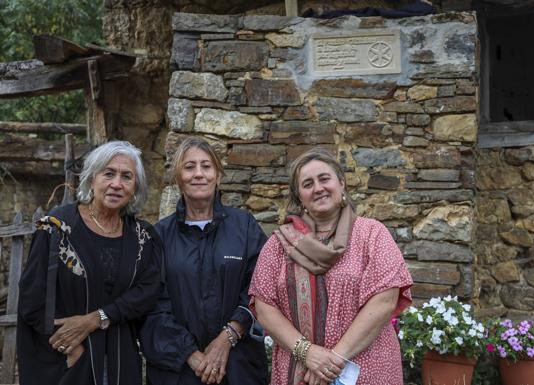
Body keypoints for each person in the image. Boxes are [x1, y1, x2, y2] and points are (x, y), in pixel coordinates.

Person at [249, 147, 414, 385]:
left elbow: (384, 301)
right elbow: (264, 307)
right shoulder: (279, 244)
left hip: (365, 371)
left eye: (324, 179)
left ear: (342, 184)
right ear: (299, 197)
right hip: (299, 372)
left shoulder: (371, 234)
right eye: (307, 184)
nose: (318, 188)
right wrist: (308, 352)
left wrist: (332, 360)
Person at [17, 140, 161, 385]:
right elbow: (32, 299)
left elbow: (146, 292)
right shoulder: (56, 227)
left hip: (119, 361)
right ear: (92, 178)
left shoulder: (143, 237)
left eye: (127, 176)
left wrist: (96, 318)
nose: (116, 184)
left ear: (135, 187)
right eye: (108, 173)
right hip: (68, 360)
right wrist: (70, 348)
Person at [140, 137, 268, 385]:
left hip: (240, 368)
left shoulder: (245, 227)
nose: (198, 174)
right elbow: (151, 305)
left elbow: (261, 289)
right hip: (179, 372)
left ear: (218, 175)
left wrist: (228, 336)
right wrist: (190, 354)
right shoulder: (159, 236)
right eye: (189, 167)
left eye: (206, 166)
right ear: (178, 178)